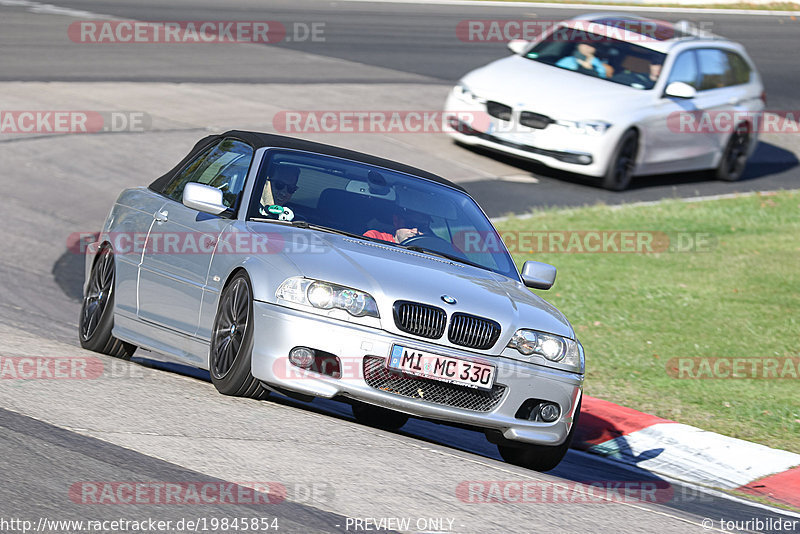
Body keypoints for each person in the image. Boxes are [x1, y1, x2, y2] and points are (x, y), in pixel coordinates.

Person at [364, 208, 429, 244]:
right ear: (396, 221)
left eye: (422, 227)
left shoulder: (428, 250)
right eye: (410, 224)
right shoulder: (375, 237)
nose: (415, 231)